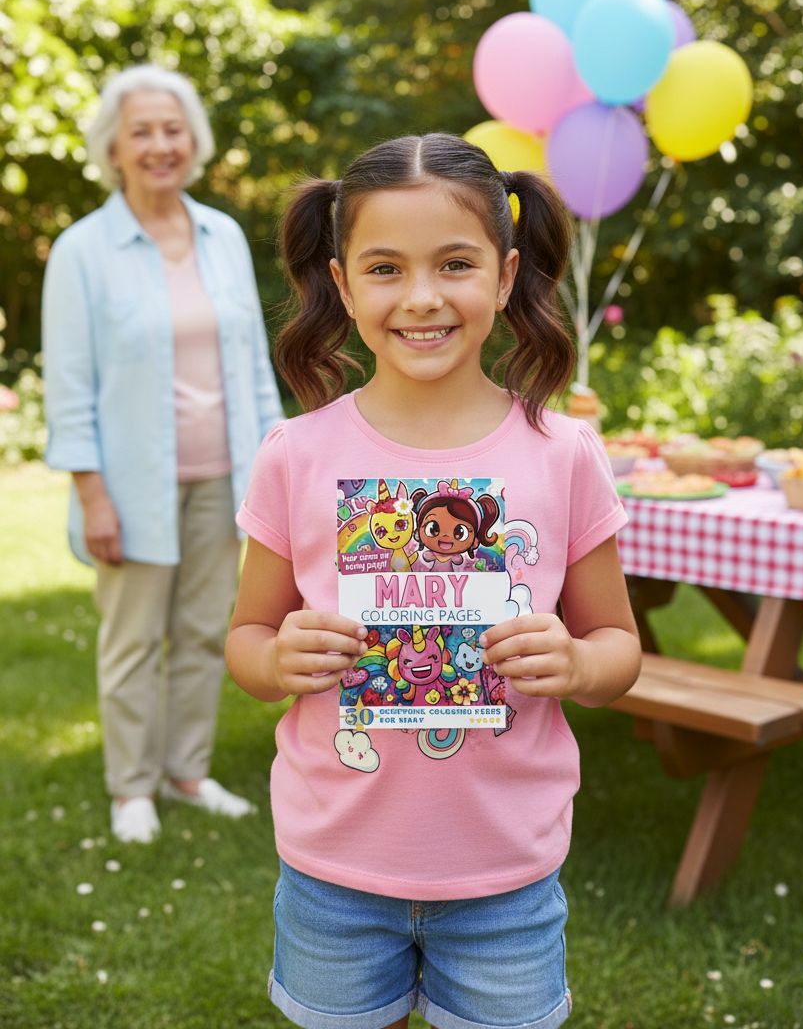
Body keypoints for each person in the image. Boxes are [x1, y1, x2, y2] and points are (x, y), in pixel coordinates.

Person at [225, 133, 641, 1029]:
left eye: (455, 263)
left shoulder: (563, 456)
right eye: (385, 268)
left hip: (507, 878)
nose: (421, 297)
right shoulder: (296, 456)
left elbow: (619, 648)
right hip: (334, 870)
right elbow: (247, 641)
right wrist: (279, 657)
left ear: (504, 275)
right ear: (341, 284)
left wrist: (575, 661)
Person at [43, 65, 284, 844]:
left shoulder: (220, 236)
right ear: (113, 147)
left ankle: (187, 771)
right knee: (134, 637)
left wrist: (272, 464)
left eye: (172, 129)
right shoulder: (83, 251)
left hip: (224, 471)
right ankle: (131, 787)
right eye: (141, 131)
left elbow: (251, 364)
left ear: (194, 141)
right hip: (131, 481)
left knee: (209, 628)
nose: (159, 145)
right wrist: (92, 494)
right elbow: (70, 384)